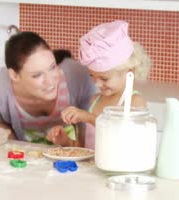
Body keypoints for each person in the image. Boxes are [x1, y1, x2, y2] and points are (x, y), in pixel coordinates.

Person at [46, 20, 151, 148]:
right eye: (92, 77)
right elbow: (84, 148)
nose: (97, 84)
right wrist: (65, 141)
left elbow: (122, 137)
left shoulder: (135, 102)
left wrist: (88, 117)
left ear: (129, 72)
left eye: (104, 78)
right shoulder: (95, 101)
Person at [0, 31, 95, 144]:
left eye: (52, 67)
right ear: (14, 75)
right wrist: (17, 151)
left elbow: (87, 138)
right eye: (37, 75)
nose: (50, 81)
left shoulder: (80, 78)